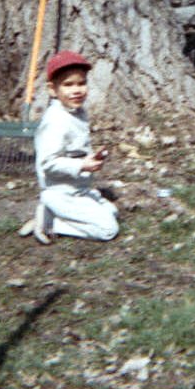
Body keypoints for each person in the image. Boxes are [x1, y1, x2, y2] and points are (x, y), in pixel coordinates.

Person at [19, 50, 118, 244]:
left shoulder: (77, 112)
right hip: (60, 193)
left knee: (112, 211)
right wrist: (81, 165)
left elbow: (76, 149)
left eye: (81, 83)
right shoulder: (55, 121)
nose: (77, 90)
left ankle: (54, 213)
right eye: (68, 84)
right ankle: (50, 223)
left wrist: (91, 158)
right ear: (52, 89)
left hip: (78, 189)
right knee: (108, 229)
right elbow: (48, 163)